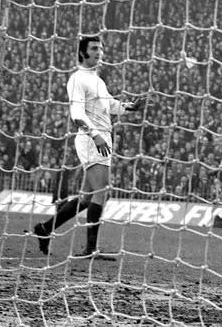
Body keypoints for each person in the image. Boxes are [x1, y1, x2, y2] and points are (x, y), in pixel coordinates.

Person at [33, 35, 144, 259]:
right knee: (103, 192)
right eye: (94, 48)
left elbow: (109, 104)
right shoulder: (77, 79)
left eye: (101, 48)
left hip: (102, 138)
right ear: (83, 53)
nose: (99, 52)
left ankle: (45, 229)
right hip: (92, 139)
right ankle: (90, 249)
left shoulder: (97, 80)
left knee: (86, 198)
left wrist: (129, 107)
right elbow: (77, 114)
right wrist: (95, 135)